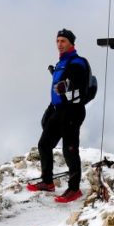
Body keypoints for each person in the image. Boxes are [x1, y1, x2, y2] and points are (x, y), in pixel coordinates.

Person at [27, 29, 89, 203]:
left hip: (73, 110)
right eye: (58, 41)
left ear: (71, 43)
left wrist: (66, 85)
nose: (59, 44)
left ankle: (74, 188)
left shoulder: (77, 62)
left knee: (69, 149)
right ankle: (48, 182)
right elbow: (58, 90)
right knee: (44, 144)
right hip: (58, 110)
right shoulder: (61, 63)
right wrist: (50, 109)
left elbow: (77, 81)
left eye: (63, 41)